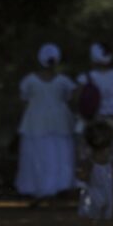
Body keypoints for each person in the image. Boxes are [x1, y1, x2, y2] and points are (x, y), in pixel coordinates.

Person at [15, 43, 77, 206]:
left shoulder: (31, 81)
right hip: (53, 123)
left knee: (39, 159)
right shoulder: (63, 81)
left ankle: (46, 193)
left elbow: (23, 102)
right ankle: (47, 193)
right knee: (56, 158)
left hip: (39, 123)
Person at [77, 43, 113, 203]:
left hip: (98, 121)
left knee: (92, 156)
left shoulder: (86, 77)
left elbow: (79, 99)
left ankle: (90, 195)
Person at [76, 122, 113, 226]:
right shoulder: (101, 160)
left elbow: (84, 176)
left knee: (97, 218)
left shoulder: (94, 160)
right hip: (101, 192)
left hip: (99, 192)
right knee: (100, 218)